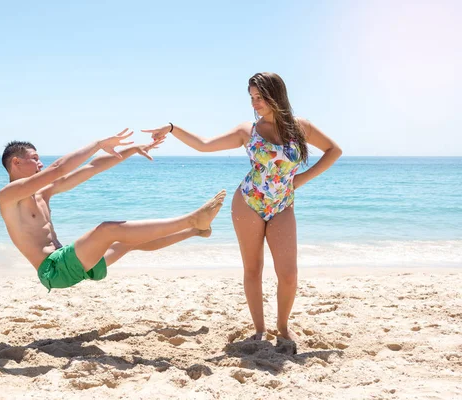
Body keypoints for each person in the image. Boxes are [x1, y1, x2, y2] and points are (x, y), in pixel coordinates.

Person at [142, 72, 342, 341]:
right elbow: (203, 145)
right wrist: (172, 128)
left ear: (276, 95)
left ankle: (282, 327)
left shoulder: (299, 127)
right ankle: (259, 329)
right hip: (248, 202)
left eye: (259, 97)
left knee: (289, 274)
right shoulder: (247, 131)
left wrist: (300, 180)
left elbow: (334, 150)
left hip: (283, 205)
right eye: (251, 98)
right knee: (253, 269)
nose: (255, 103)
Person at [0, 129, 226, 291]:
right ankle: (191, 220)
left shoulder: (42, 192)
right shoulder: (8, 197)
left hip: (73, 262)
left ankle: (196, 231)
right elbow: (58, 168)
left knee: (129, 241)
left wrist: (131, 149)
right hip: (54, 270)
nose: (40, 163)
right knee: (107, 230)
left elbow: (92, 168)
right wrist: (97, 144)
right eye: (35, 159)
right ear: (16, 163)